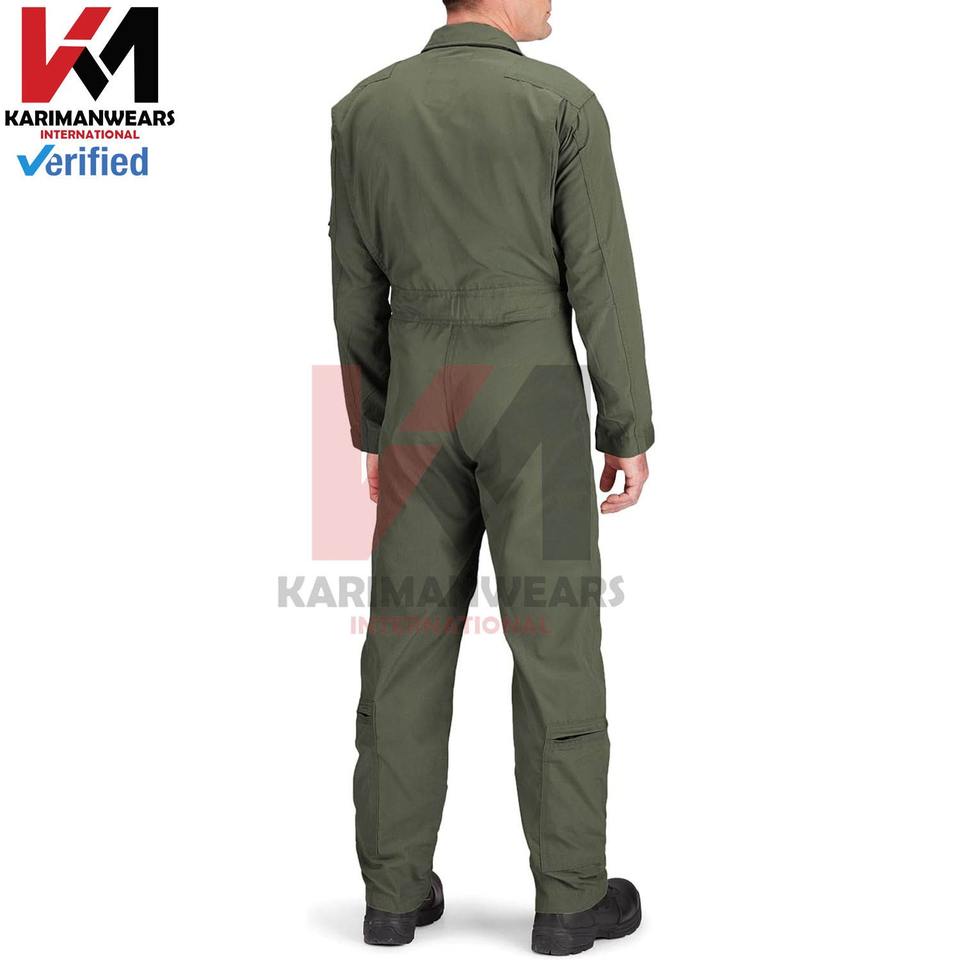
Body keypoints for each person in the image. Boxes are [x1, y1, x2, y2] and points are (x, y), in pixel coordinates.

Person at [329, 0, 653, 952]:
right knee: (554, 637)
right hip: (531, 392)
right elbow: (600, 275)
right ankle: (569, 897)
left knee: (404, 639)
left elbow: (354, 284)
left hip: (419, 392)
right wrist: (627, 425)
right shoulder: (560, 104)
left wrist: (374, 429)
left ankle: (392, 894)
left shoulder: (363, 110)